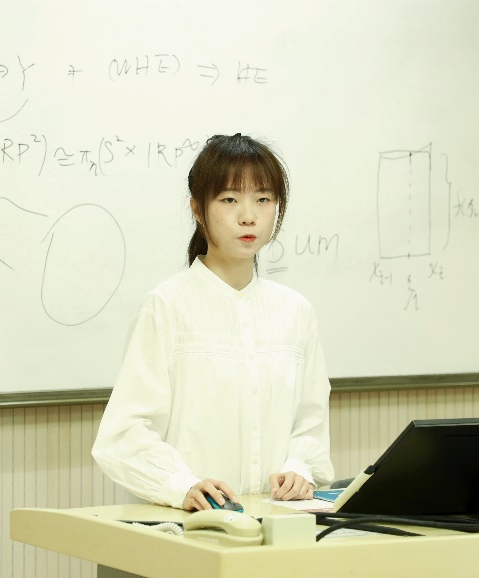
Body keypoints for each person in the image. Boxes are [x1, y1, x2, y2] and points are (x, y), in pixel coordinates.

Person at [91, 133, 334, 511]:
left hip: (273, 521)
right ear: (198, 208)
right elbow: (124, 434)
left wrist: (299, 468)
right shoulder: (166, 306)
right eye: (229, 199)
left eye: (263, 199)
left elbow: (310, 423)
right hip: (183, 525)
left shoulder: (296, 311)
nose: (248, 216)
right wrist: (181, 485)